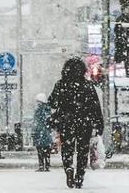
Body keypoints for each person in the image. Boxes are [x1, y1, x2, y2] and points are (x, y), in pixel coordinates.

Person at [48, 57, 103, 189]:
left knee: (67, 147)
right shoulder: (87, 86)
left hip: (66, 121)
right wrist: (99, 123)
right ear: (83, 70)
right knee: (83, 149)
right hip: (85, 122)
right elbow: (95, 106)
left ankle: (68, 167)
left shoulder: (61, 84)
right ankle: (80, 176)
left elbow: (52, 102)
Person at [32, 93, 53, 172]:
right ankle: (47, 166)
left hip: (39, 133)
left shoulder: (38, 110)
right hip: (47, 133)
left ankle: (41, 166)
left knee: (40, 151)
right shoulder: (48, 110)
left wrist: (34, 131)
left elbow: (35, 122)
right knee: (47, 151)